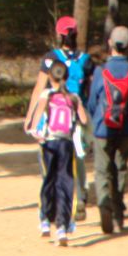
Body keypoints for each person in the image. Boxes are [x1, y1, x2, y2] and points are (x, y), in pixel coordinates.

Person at [83, 25, 128, 234]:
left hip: (103, 128)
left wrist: (96, 119)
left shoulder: (101, 71)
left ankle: (104, 206)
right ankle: (118, 214)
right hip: (127, 127)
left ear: (110, 44)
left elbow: (92, 102)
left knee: (103, 170)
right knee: (120, 169)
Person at [24, 16, 94, 218]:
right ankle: (80, 198)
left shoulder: (50, 58)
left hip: (53, 113)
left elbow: (39, 88)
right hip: (76, 111)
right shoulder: (86, 59)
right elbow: (90, 90)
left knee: (49, 155)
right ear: (76, 33)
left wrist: (30, 118)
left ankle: (52, 198)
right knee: (78, 155)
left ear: (59, 35)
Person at [30, 51, 89, 244]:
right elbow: (84, 119)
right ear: (65, 77)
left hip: (48, 144)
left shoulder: (46, 96)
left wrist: (33, 131)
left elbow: (35, 123)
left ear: (49, 76)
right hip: (66, 144)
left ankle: (45, 220)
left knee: (49, 180)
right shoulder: (72, 98)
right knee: (65, 183)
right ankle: (63, 227)